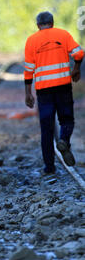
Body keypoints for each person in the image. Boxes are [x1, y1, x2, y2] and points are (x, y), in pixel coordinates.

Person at [24, 11, 84, 174]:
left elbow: (29, 70)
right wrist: (76, 68)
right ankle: (64, 140)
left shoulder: (31, 40)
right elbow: (79, 53)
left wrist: (28, 93)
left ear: (38, 26)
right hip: (63, 87)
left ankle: (49, 167)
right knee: (67, 120)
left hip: (43, 91)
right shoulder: (63, 34)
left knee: (46, 129)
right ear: (53, 22)